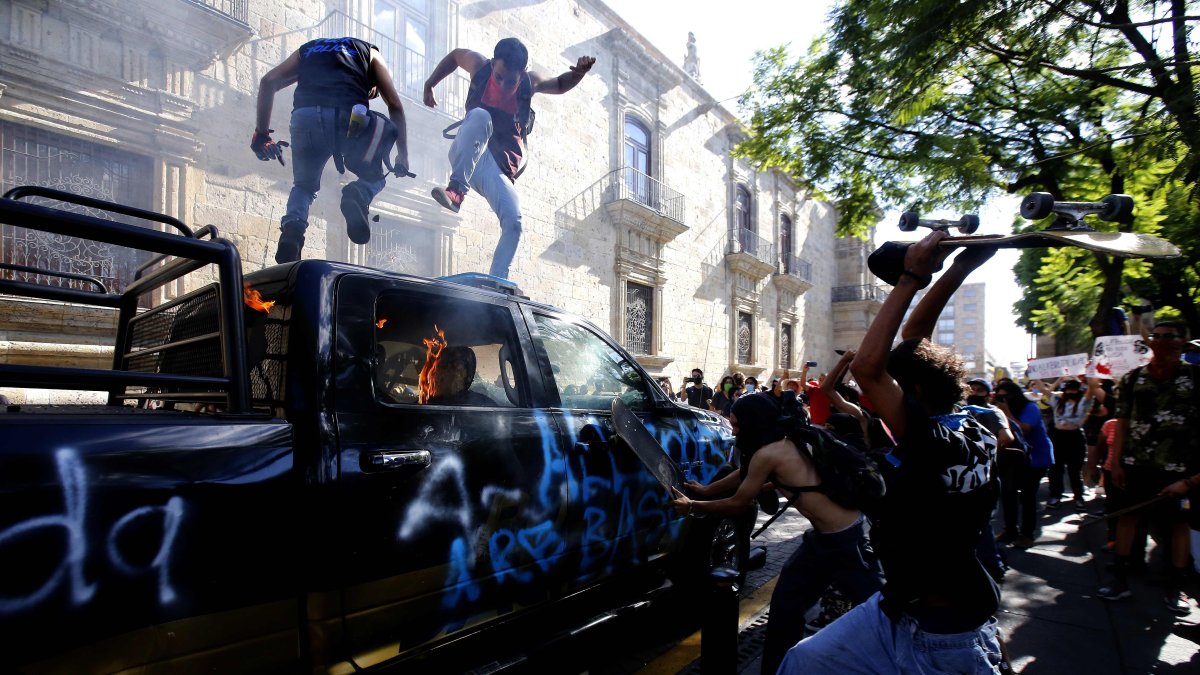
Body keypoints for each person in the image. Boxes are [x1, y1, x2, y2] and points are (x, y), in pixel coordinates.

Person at [780, 232, 1004, 674]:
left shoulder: (935, 441)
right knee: (804, 661)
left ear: (914, 392)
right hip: (899, 605)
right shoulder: (968, 420)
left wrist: (912, 275)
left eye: (891, 389)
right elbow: (916, 335)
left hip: (942, 631)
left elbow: (868, 368)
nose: (873, 398)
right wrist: (962, 266)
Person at [669, 394, 883, 675]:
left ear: (751, 423)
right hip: (822, 539)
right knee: (784, 608)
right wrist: (707, 490)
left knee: (884, 608)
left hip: (845, 540)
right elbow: (750, 474)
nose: (732, 430)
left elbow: (738, 503)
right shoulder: (785, 438)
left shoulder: (767, 453)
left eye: (736, 424)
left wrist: (693, 505)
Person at [423, 38, 596, 279]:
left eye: (511, 81)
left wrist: (578, 73)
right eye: (499, 77)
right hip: (469, 152)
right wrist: (430, 84)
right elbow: (454, 56)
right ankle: (456, 191)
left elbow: (558, 83)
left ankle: (498, 282)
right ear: (493, 64)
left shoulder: (530, 82)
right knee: (482, 116)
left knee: (514, 223)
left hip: (496, 169)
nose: (503, 86)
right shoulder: (479, 66)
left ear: (522, 73)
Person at [254, 37, 410, 264]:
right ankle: (358, 193)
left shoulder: (307, 49)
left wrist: (262, 133)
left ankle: (292, 232)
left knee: (304, 186)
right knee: (376, 174)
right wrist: (403, 155)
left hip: (304, 119)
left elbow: (268, 82)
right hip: (348, 120)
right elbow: (395, 105)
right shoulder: (372, 53)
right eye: (371, 91)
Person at [1098, 321, 1200, 614]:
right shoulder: (1132, 379)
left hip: (1180, 468)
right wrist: (1116, 463)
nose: (1163, 342)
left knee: (1177, 525)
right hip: (1135, 465)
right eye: (1157, 336)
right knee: (1128, 519)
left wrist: (1192, 480)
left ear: (1184, 341)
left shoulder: (1195, 377)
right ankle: (1119, 578)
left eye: (1170, 336)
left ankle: (1176, 586)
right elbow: (1124, 423)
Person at [992, 379, 1055, 549]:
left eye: (1006, 397)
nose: (1004, 400)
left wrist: (1005, 412)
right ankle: (1010, 530)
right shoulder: (997, 409)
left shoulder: (1030, 408)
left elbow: (1024, 428)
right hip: (1012, 458)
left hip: (1035, 458)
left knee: (1027, 497)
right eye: (1000, 396)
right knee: (1008, 493)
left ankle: (1027, 534)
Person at [1046, 377, 1096, 509]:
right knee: (1056, 469)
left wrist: (1091, 376)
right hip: (1058, 437)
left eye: (1073, 389)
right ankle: (1056, 495)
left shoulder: (1083, 403)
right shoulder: (1058, 403)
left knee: (1075, 469)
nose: (1071, 392)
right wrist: (1058, 380)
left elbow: (1091, 390)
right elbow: (1044, 391)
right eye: (1068, 389)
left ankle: (1078, 496)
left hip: (1075, 438)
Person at [426, 346, 496, 406]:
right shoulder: (425, 404)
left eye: (453, 367)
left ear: (467, 376)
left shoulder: (483, 405)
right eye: (438, 368)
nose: (438, 375)